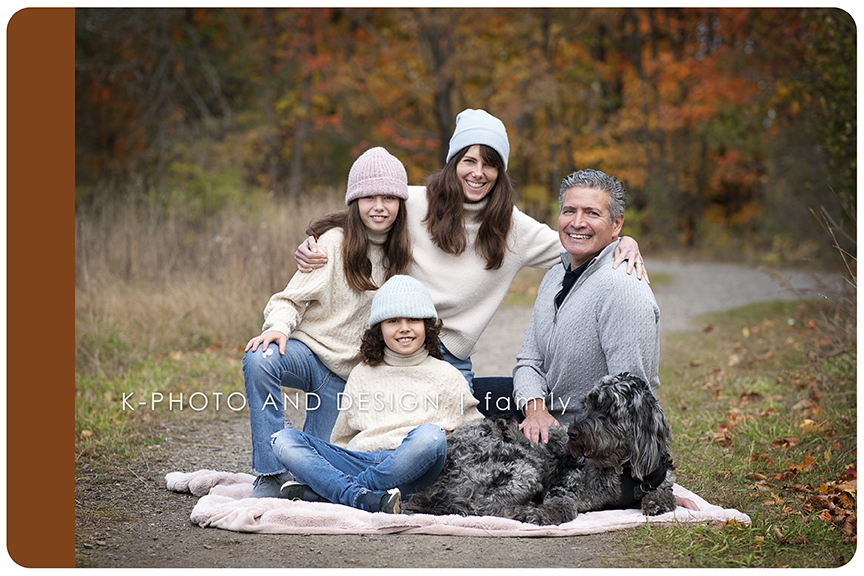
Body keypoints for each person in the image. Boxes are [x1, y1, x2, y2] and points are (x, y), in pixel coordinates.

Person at [295, 109, 649, 400]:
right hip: (394, 343)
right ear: (453, 163)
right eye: (469, 160)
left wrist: (624, 241)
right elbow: (363, 214)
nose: (478, 173)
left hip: (450, 357)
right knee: (377, 430)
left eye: (489, 164)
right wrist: (316, 238)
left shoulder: (514, 228)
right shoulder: (414, 202)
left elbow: (578, 241)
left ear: (500, 172)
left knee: (449, 447)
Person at [242, 147, 413, 498]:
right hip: (308, 355)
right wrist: (277, 328)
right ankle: (269, 472)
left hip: (346, 381)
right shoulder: (333, 243)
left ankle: (290, 457)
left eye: (388, 198)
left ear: (401, 202)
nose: (379, 206)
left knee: (312, 474)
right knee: (260, 359)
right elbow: (289, 299)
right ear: (354, 201)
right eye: (368, 197)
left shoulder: (405, 253)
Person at [270, 275, 484, 513]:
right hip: (361, 460)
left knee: (431, 437)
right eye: (393, 321)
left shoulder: (448, 375)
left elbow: (474, 437)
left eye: (413, 319)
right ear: (380, 329)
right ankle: (365, 497)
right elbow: (341, 438)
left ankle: (347, 493)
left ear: (427, 325)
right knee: (283, 440)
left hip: (414, 470)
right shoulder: (362, 373)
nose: (404, 328)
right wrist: (334, 464)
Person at [512, 169, 661, 445]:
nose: (577, 222)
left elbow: (632, 398)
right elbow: (529, 362)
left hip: (587, 438)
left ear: (616, 224)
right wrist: (536, 411)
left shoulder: (622, 288)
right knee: (461, 395)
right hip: (546, 413)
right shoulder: (555, 276)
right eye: (569, 211)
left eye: (592, 213)